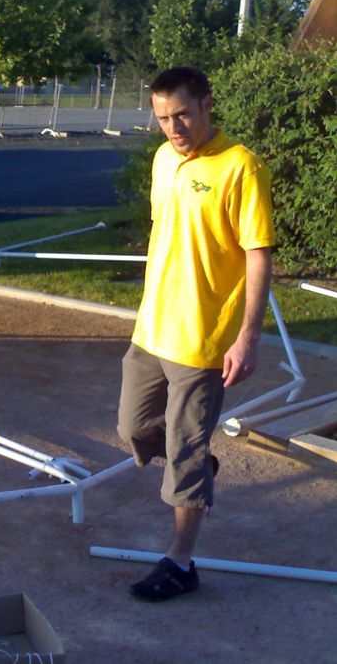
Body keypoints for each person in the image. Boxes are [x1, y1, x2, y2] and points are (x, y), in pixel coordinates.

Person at [118, 66, 274, 602]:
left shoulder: (241, 167)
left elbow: (258, 255)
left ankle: (180, 562)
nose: (173, 127)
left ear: (207, 105)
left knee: (183, 454)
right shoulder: (164, 159)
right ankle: (197, 468)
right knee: (133, 429)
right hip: (151, 329)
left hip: (203, 339)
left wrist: (247, 336)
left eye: (182, 114)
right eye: (163, 117)